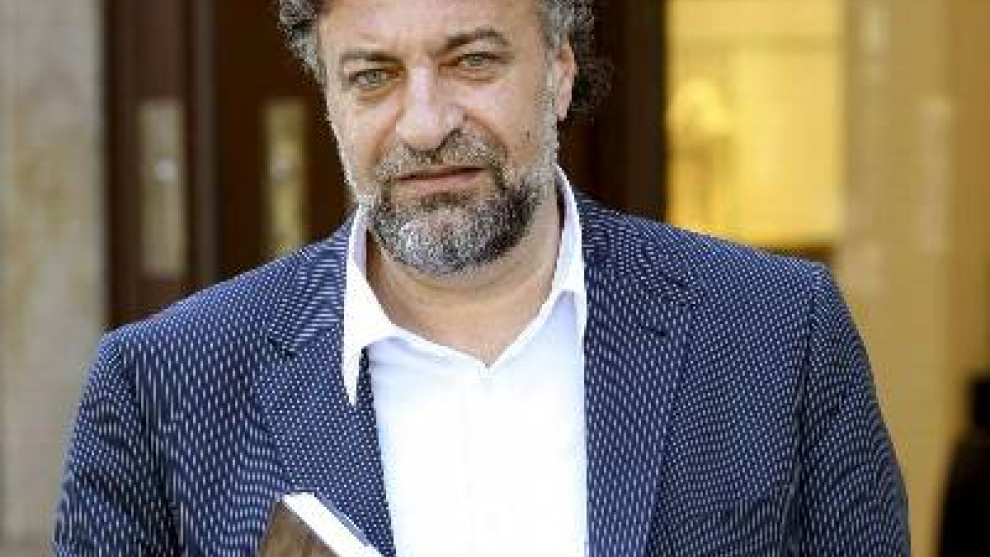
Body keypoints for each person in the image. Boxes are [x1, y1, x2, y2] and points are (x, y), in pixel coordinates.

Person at [53, 0, 911, 555]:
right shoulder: (161, 384)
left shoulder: (777, 333)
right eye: (374, 76)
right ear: (329, 96)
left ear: (560, 68)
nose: (425, 125)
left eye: (472, 61)